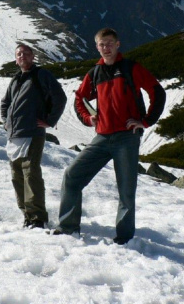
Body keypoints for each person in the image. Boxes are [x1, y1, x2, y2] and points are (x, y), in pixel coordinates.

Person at [53, 27, 166, 244]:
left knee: (126, 190)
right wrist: (88, 118)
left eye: (109, 43)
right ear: (97, 47)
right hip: (102, 138)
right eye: (101, 44)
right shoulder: (95, 73)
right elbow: (80, 99)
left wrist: (145, 121)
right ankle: (68, 228)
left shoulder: (130, 68)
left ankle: (124, 238)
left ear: (117, 44)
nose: (106, 48)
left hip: (127, 138)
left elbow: (157, 91)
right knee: (72, 175)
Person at [1, 44, 67, 229]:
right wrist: (6, 121)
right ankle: (27, 215)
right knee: (17, 175)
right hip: (14, 135)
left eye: (26, 53)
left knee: (31, 173)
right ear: (16, 59)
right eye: (19, 54)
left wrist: (50, 120)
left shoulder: (41, 75)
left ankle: (37, 218)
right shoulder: (15, 80)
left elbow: (59, 97)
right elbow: (5, 103)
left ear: (33, 56)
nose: (22, 56)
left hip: (33, 132)